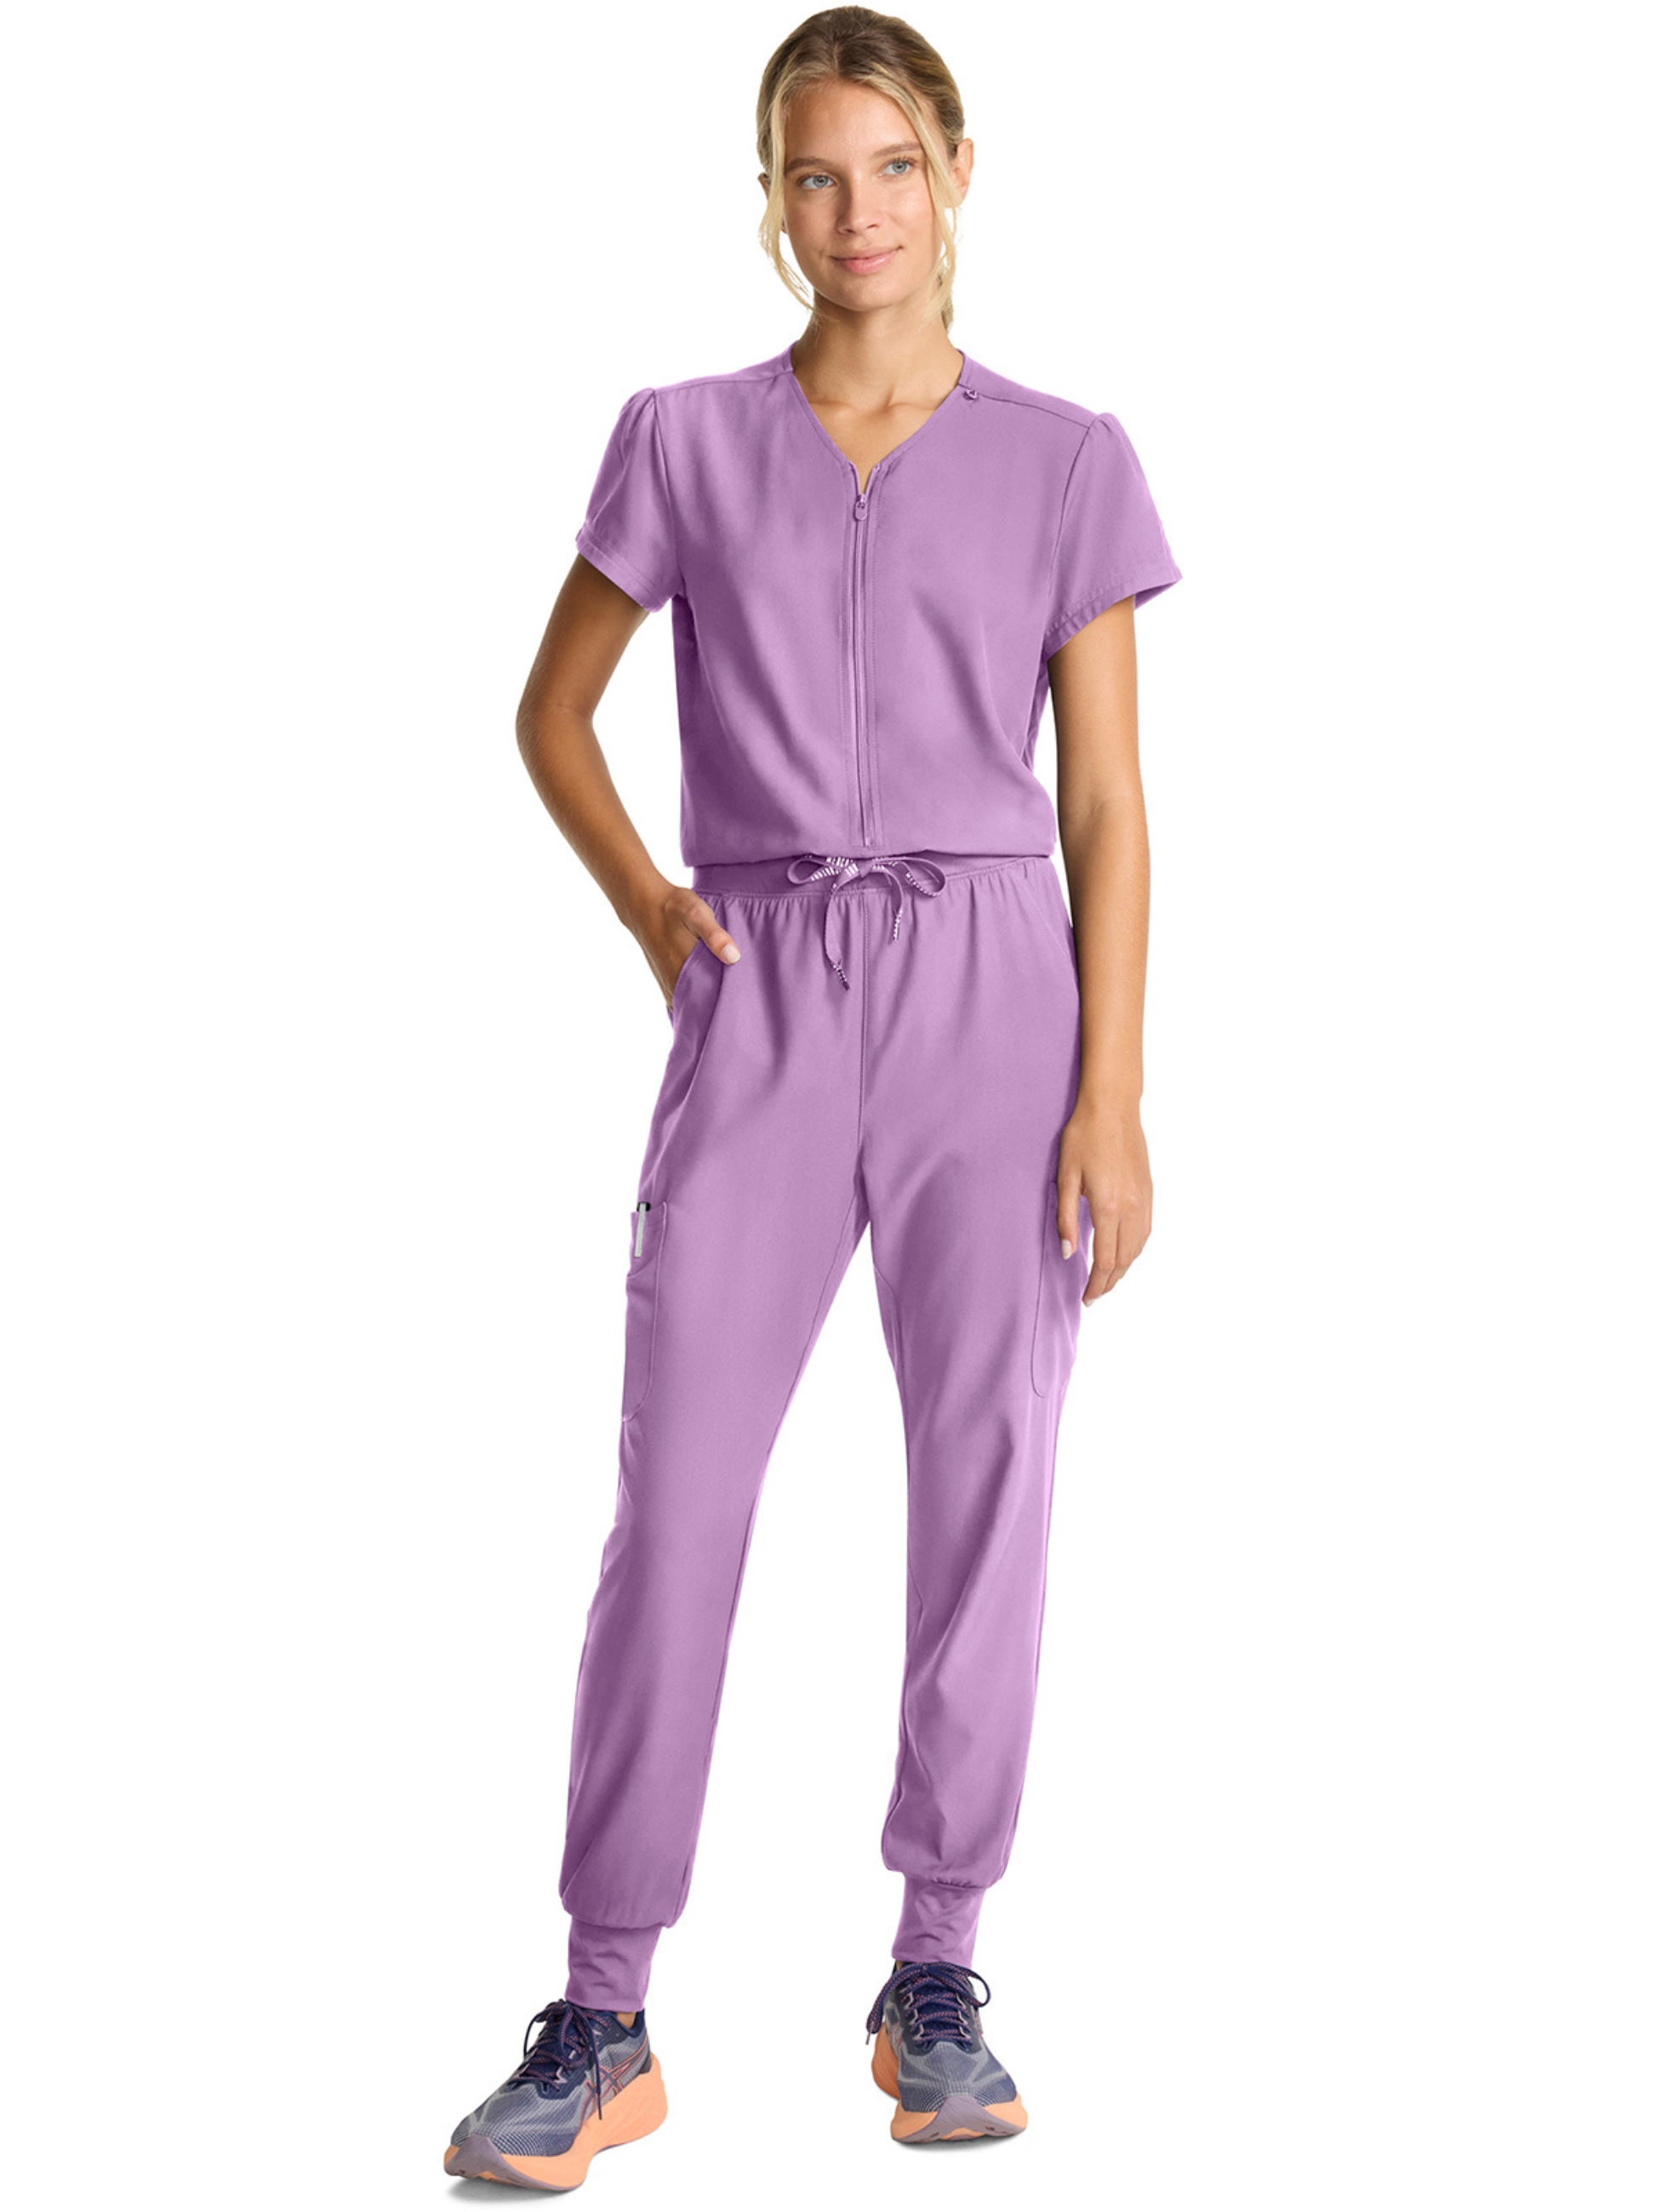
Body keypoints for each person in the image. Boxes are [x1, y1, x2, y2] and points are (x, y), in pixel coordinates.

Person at [444, 6, 1180, 2190]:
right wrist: (649, 905)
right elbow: (551, 713)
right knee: (676, 1493)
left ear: (957, 171)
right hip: (758, 989)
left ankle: (936, 1965)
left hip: (993, 994)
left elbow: (1109, 805)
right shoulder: (680, 441)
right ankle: (603, 2005)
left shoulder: (1068, 459)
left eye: (887, 166)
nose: (851, 212)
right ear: (768, 198)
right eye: (808, 173)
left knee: (985, 1484)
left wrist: (1113, 1092)